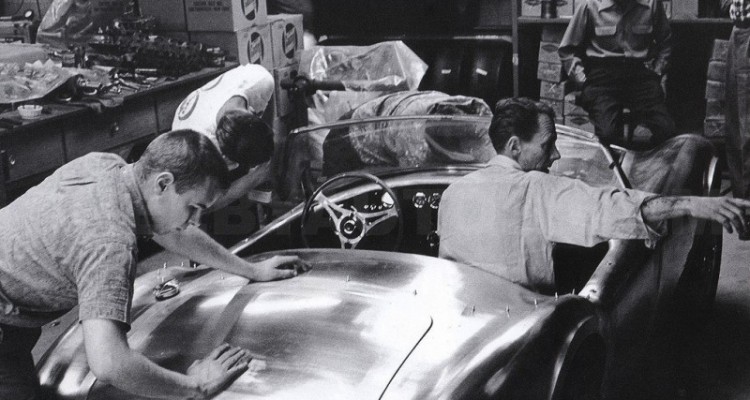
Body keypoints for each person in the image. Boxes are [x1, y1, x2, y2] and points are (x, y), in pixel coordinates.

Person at [0, 129, 308, 399]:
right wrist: (196, 386)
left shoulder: (109, 167)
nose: (195, 220)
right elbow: (109, 362)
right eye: (193, 207)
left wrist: (251, 270)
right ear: (163, 183)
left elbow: (173, 233)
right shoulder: (110, 243)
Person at [437, 98, 750, 293]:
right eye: (547, 145)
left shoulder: (452, 193)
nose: (556, 155)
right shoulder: (537, 188)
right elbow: (614, 209)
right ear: (515, 146)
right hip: (525, 325)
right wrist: (695, 204)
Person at [557, 0, 676, 147]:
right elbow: (567, 50)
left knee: (666, 130)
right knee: (607, 134)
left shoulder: (651, 3)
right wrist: (582, 80)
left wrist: (657, 72)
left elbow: (666, 43)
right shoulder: (589, 5)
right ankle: (614, 161)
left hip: (639, 76)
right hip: (602, 77)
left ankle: (650, 160)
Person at [172, 64, 276, 210]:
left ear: (252, 112)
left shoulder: (261, 80)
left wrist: (271, 144)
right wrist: (256, 178)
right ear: (228, 158)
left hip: (206, 112)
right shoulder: (199, 148)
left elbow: (268, 109)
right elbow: (202, 207)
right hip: (188, 138)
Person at [725, 0, 750, 199]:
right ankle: (743, 204)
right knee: (736, 129)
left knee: (746, 130)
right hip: (740, 33)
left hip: (746, 33)